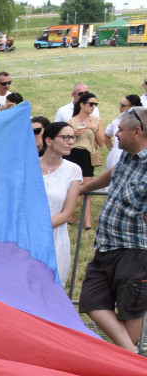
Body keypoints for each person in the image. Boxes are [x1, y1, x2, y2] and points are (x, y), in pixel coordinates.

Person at [77, 107, 147, 352]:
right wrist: (83, 189)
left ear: (137, 132)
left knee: (131, 310)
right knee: (90, 300)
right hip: (106, 244)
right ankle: (134, 356)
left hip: (136, 250)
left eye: (120, 129)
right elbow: (113, 173)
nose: (115, 133)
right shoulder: (128, 155)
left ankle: (129, 366)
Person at [40, 122, 82, 284]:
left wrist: (40, 228)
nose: (71, 141)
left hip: (55, 238)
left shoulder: (73, 170)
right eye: (65, 137)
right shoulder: (30, 166)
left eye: (72, 137)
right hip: (25, 236)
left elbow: (67, 213)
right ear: (49, 141)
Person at [66, 92, 105, 229]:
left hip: (87, 156)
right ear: (82, 104)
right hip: (73, 155)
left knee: (86, 189)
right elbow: (66, 141)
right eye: (91, 104)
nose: (93, 107)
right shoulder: (72, 121)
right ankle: (69, 217)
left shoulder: (96, 120)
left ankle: (87, 222)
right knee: (71, 187)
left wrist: (94, 129)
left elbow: (101, 143)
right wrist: (74, 134)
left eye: (95, 104)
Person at [106, 95, 142, 173]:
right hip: (114, 161)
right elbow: (107, 135)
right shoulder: (117, 121)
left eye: (123, 105)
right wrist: (111, 149)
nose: (120, 108)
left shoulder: (141, 124)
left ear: (133, 107)